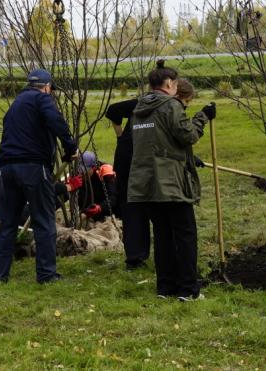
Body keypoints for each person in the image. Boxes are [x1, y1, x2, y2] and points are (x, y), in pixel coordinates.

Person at [128, 61, 214, 301]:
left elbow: (160, 140)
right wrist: (202, 118)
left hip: (145, 182)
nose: (176, 89)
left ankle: (165, 287)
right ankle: (188, 289)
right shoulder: (171, 106)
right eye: (175, 84)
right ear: (168, 84)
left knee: (163, 235)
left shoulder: (139, 109)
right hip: (170, 182)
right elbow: (187, 135)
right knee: (185, 234)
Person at [0, 69, 78, 284]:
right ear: (47, 87)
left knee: (8, 224)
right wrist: (70, 146)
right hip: (32, 167)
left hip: (8, 168)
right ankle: (47, 275)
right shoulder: (42, 99)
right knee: (44, 221)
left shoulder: (16, 104)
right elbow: (56, 122)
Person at [105, 95, 150, 269]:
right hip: (135, 162)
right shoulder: (163, 105)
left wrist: (121, 137)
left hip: (127, 159)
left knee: (133, 209)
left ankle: (135, 257)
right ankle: (137, 257)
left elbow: (112, 110)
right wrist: (121, 136)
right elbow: (112, 111)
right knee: (137, 209)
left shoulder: (140, 103)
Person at [70, 151, 117, 221]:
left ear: (94, 167)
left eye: (85, 171)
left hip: (107, 211)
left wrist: (100, 207)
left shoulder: (106, 171)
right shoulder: (76, 174)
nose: (82, 173)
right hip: (88, 210)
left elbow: (113, 197)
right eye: (80, 170)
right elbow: (64, 194)